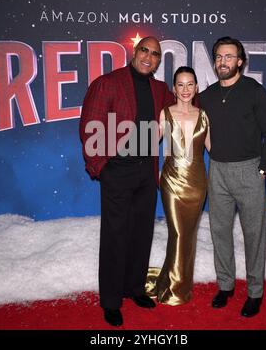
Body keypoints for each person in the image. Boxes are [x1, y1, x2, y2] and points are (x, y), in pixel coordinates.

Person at [79, 36, 175, 327]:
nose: (148, 57)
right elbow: (89, 125)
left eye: (155, 54)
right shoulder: (108, 82)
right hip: (117, 171)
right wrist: (102, 167)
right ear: (135, 52)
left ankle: (134, 289)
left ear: (159, 60)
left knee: (141, 233)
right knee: (115, 236)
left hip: (146, 171)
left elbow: (185, 101)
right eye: (144, 50)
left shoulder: (159, 89)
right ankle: (110, 301)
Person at [199, 36, 266, 317]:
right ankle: (226, 285)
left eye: (229, 56)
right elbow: (196, 127)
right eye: (219, 56)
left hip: (250, 170)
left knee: (253, 235)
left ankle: (255, 292)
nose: (223, 61)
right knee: (219, 232)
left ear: (240, 61)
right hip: (217, 171)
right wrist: (213, 152)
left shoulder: (254, 91)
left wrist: (263, 169)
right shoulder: (206, 95)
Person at [146, 66, 210, 305]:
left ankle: (173, 282)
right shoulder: (165, 113)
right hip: (172, 182)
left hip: (197, 184)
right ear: (174, 88)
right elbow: (147, 145)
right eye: (180, 84)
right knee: (178, 233)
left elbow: (216, 150)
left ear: (196, 87)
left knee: (189, 235)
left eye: (190, 84)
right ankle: (174, 290)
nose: (185, 89)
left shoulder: (204, 116)